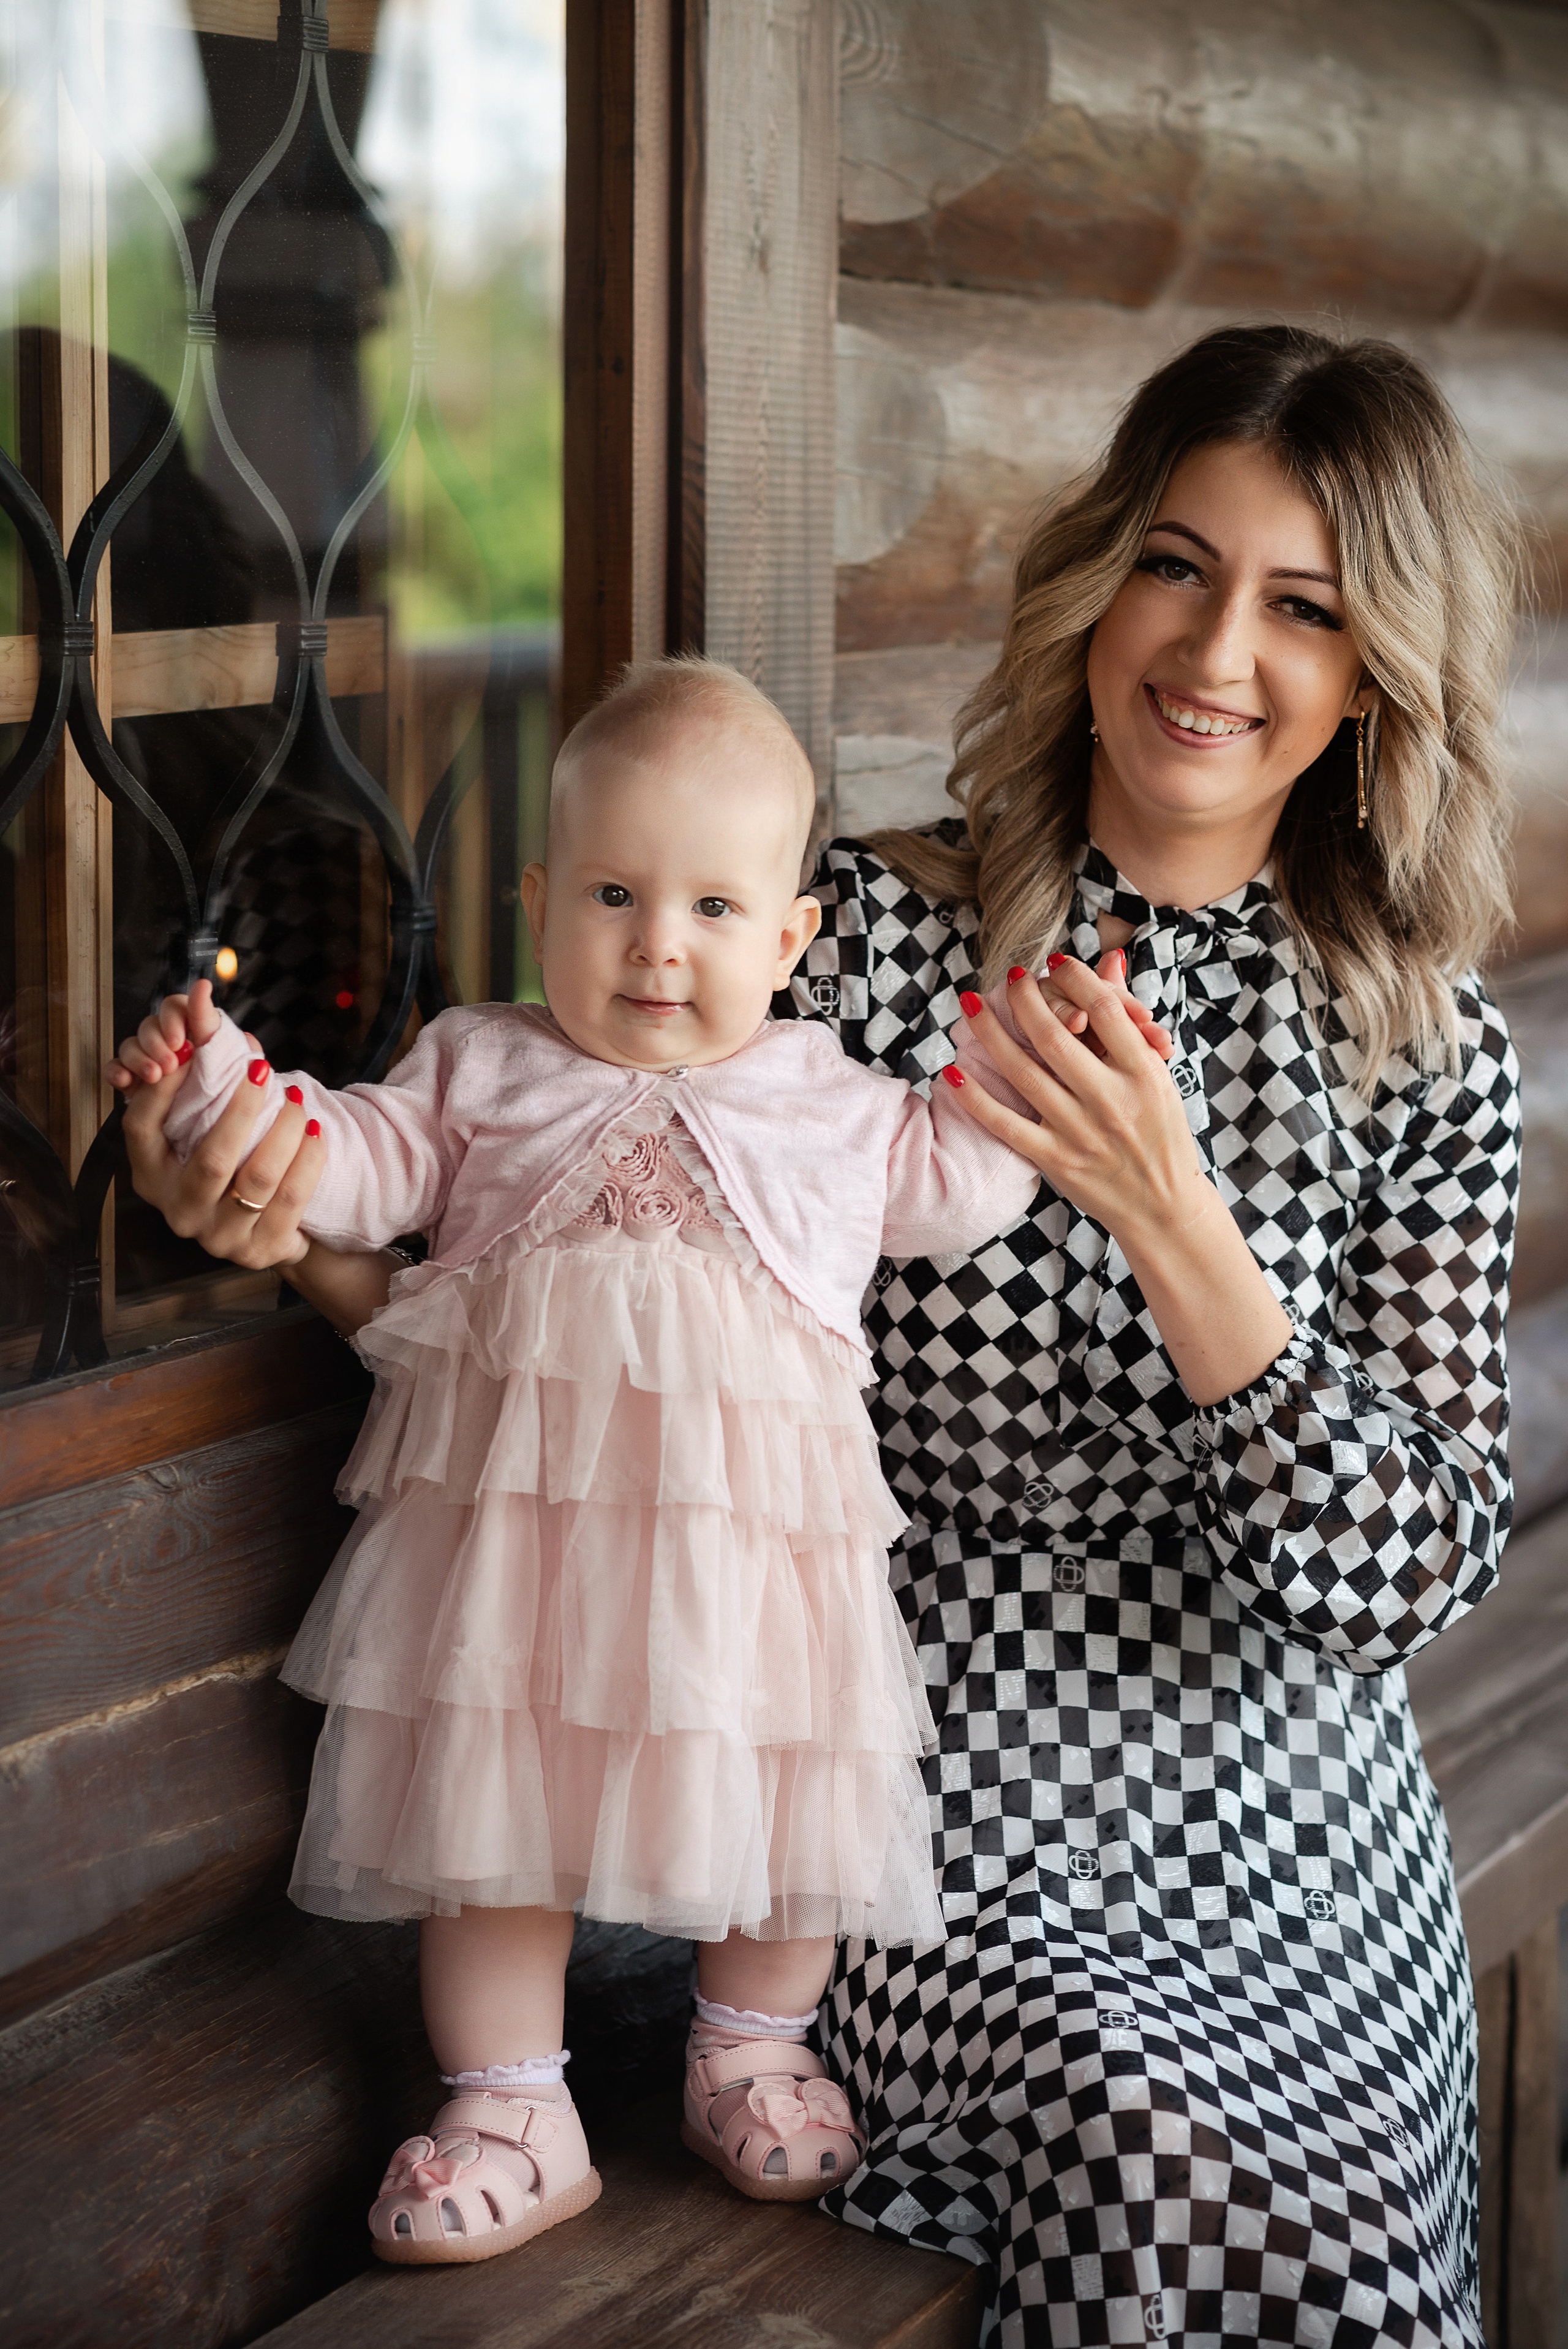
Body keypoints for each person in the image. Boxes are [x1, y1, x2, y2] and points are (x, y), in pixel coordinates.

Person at [115, 322, 1519, 2346]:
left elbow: (1402, 1576)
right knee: (1154, 2146)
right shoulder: (847, 941)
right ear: (1097, 573)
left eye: (1302, 605)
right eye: (1178, 564)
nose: (1218, 653)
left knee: (1308, 2211)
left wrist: (1174, 1212)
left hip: (1278, 1787)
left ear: (1378, 666)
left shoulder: (1424, 1056)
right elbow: (572, 1277)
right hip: (902, 1758)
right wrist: (274, 1210)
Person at [107, 656, 1057, 2268]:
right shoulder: (482, 1063)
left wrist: (1028, 1078)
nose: (657, 944)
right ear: (540, 895)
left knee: (792, 1809)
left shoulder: (832, 1101)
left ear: (789, 938)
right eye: (613, 892)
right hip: (514, 1572)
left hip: (756, 1570)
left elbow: (958, 1184)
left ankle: (751, 2047)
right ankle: (510, 2104)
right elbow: (347, 1163)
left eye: (708, 905)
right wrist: (226, 1090)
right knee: (492, 1822)